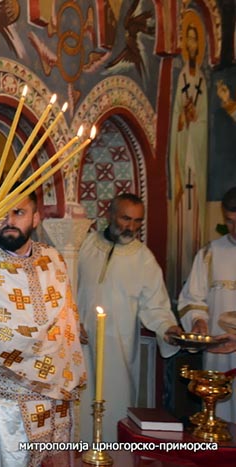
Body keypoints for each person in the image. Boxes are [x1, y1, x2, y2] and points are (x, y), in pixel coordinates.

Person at [0, 187, 86, 467]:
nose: (9, 221)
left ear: (35, 218)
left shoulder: (53, 259)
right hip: (6, 399)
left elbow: (65, 319)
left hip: (56, 394)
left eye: (19, 213)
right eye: (2, 214)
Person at [76, 193, 181, 442]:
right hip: (79, 345)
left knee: (115, 404)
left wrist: (168, 327)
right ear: (109, 215)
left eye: (137, 221)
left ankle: (113, 455)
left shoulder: (143, 259)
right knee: (79, 406)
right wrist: (70, 321)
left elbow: (155, 306)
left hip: (118, 350)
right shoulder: (84, 246)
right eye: (125, 218)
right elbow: (65, 286)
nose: (131, 227)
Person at [179, 186, 236, 422]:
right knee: (219, 419)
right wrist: (198, 320)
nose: (235, 228)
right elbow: (193, 297)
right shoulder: (210, 253)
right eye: (230, 221)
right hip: (219, 354)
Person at [167, 11, 208, 298]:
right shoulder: (182, 75)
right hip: (183, 157)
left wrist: (195, 119)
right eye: (189, 40)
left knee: (196, 221)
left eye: (196, 41)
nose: (192, 46)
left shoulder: (201, 79)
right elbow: (176, 118)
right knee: (181, 222)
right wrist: (184, 118)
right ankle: (179, 284)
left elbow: (203, 119)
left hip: (197, 158)